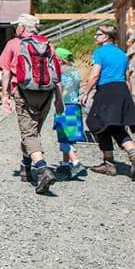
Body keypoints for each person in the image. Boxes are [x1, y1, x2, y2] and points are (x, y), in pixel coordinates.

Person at [0, 15, 64, 195]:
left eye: (17, 26)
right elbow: (56, 74)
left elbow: (6, 72)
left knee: (29, 133)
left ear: (21, 27)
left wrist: (5, 96)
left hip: (23, 92)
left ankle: (42, 169)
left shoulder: (14, 44)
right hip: (46, 93)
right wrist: (59, 99)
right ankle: (26, 167)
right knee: (33, 132)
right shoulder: (48, 44)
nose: (16, 29)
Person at [82, 25, 135, 179]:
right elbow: (126, 77)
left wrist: (86, 92)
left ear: (106, 37)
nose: (95, 37)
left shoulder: (100, 52)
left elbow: (95, 75)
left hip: (107, 90)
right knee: (114, 125)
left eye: (98, 34)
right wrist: (127, 97)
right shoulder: (122, 54)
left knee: (97, 123)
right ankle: (133, 154)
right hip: (122, 90)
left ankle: (109, 163)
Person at [53, 47, 85, 178]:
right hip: (75, 106)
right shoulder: (75, 71)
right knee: (68, 136)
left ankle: (76, 162)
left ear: (60, 60)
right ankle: (65, 164)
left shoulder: (59, 72)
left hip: (64, 106)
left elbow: (57, 88)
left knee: (64, 136)